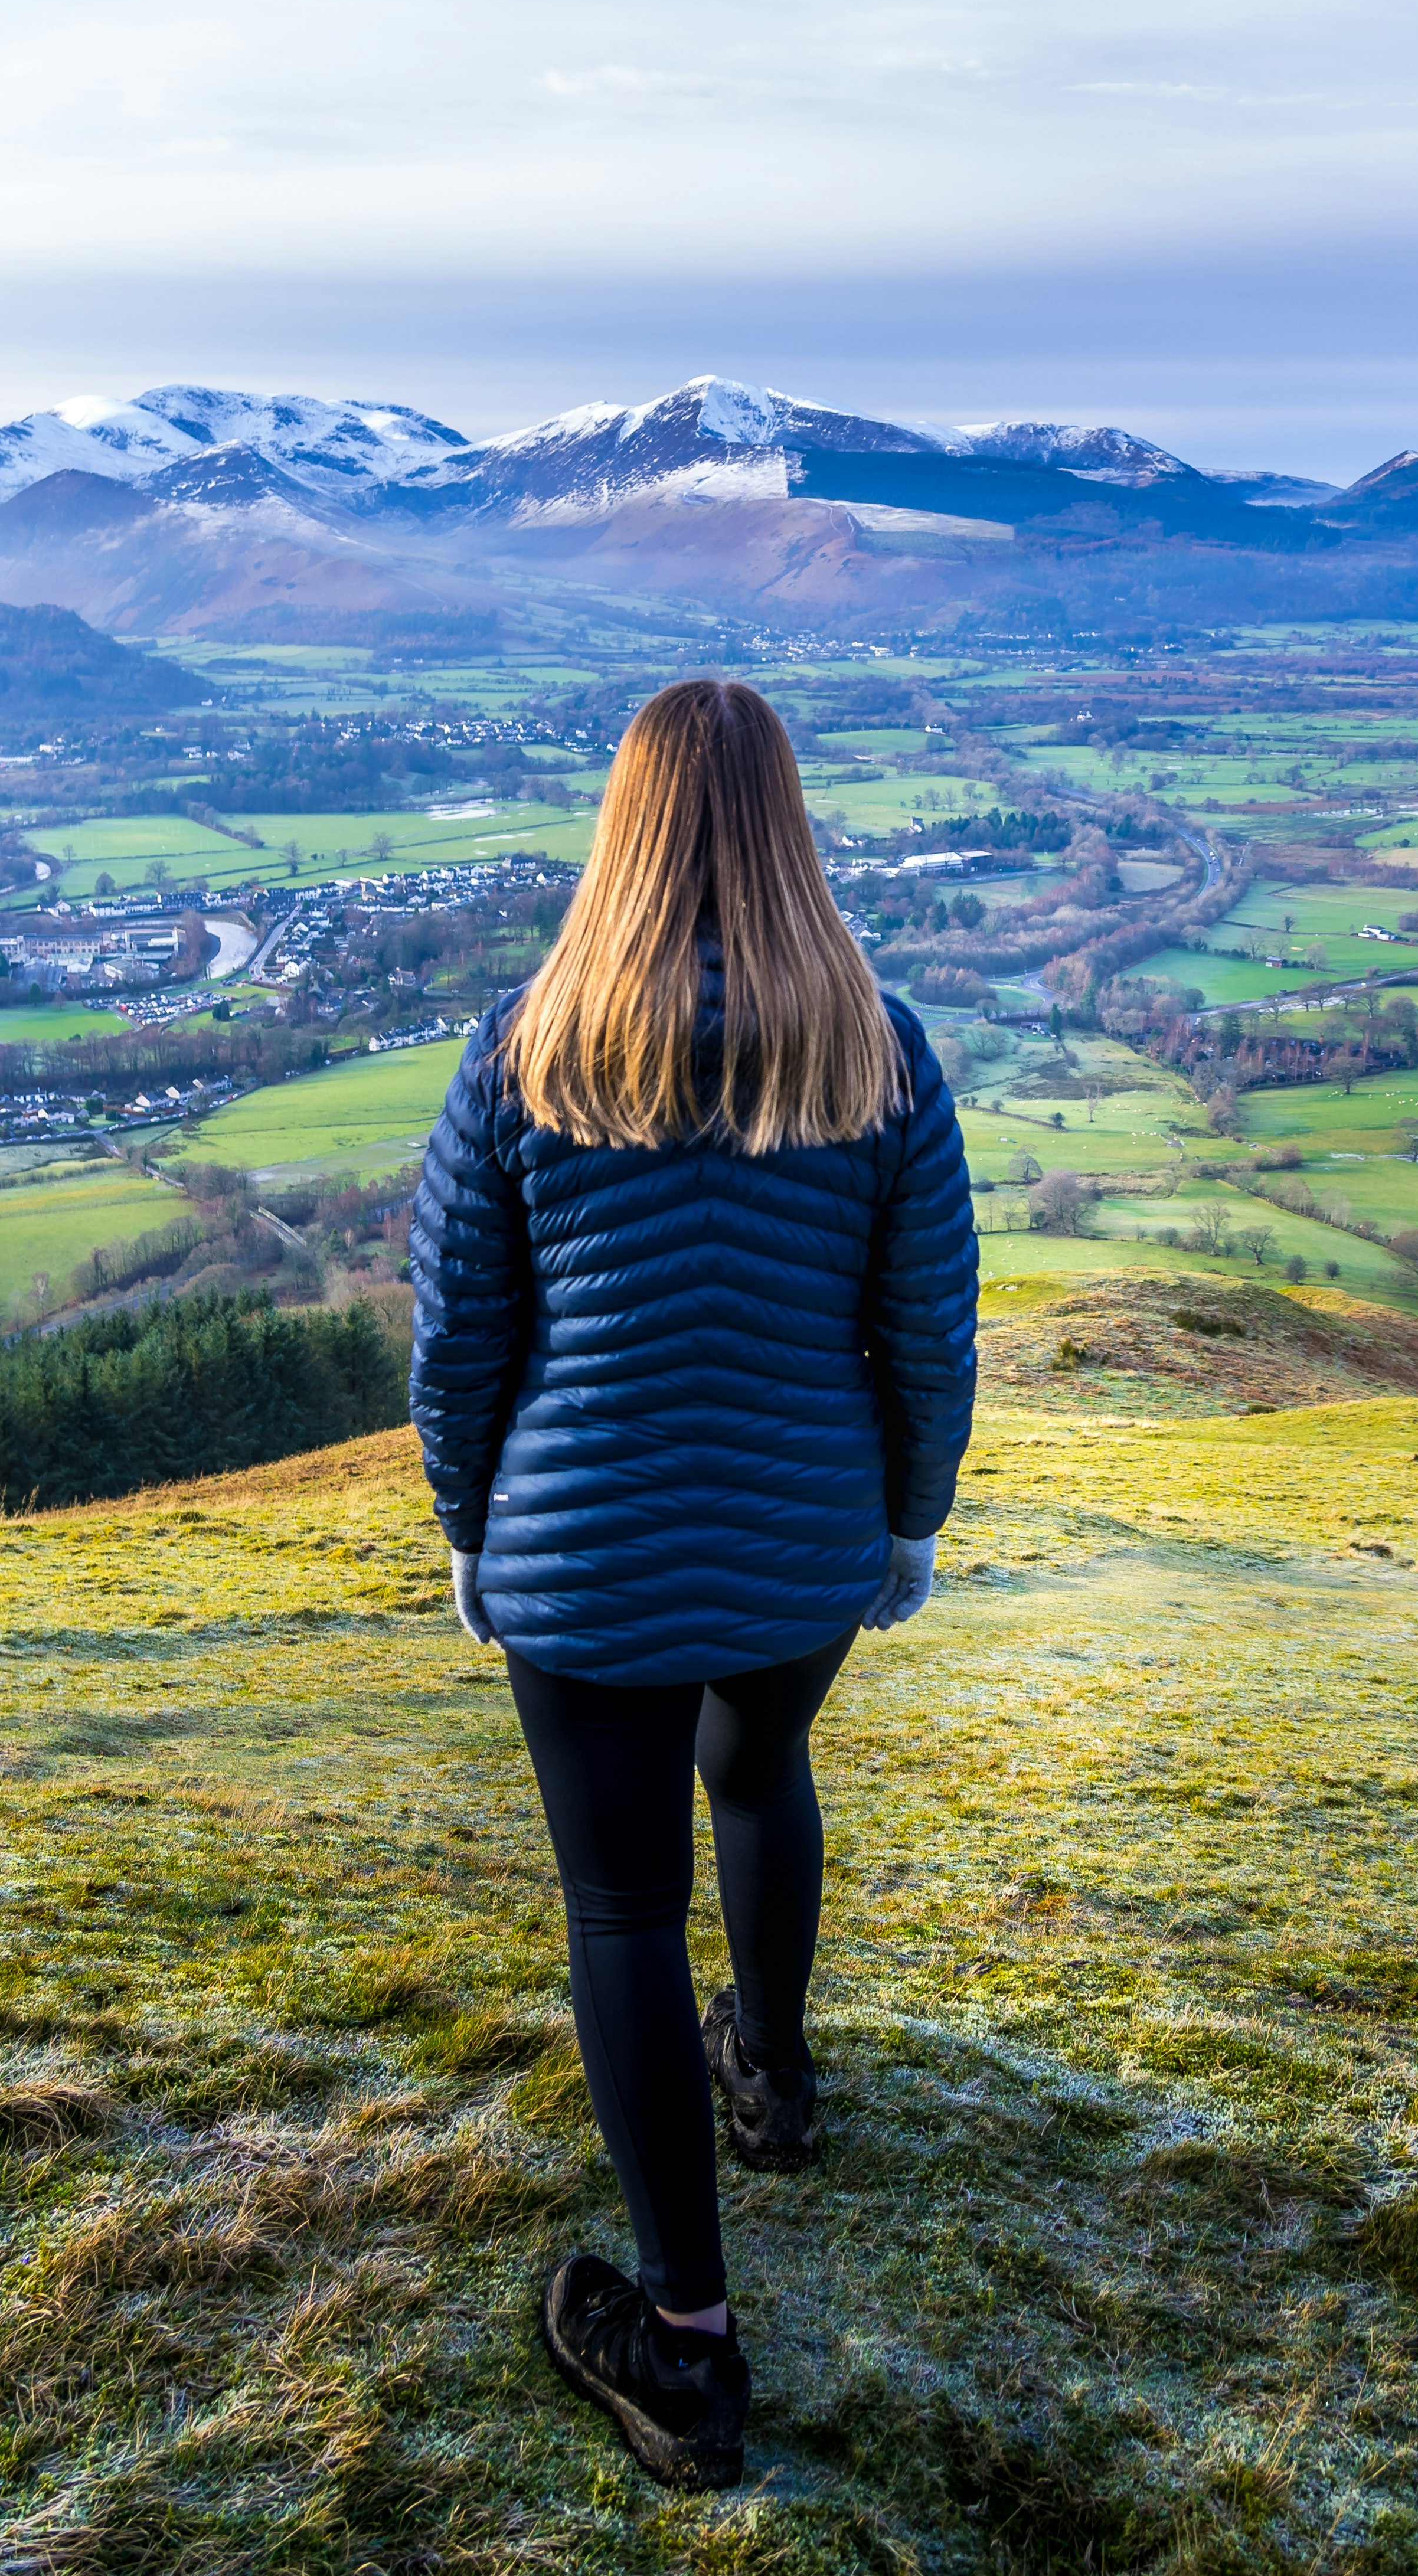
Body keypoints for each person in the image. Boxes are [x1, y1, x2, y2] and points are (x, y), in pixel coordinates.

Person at [410, 676, 976, 2495]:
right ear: (788, 825)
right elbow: (928, 1324)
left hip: (585, 1563)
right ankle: (781, 2084)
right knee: (759, 1772)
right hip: (804, 1548)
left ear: (628, 821)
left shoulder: (532, 1043)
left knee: (623, 1910)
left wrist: (467, 1526)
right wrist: (908, 1520)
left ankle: (684, 2343)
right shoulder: (874, 1045)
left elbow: (461, 1335)